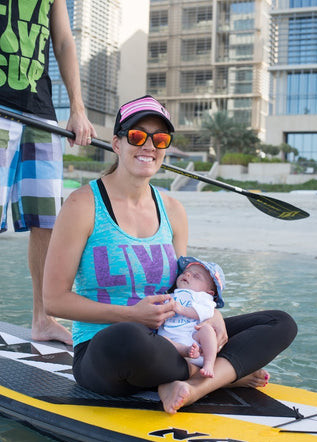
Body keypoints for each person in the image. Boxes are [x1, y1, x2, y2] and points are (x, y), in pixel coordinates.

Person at [43, 95, 297, 414]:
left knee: (279, 322)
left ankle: (191, 387)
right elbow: (54, 300)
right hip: (108, 351)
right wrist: (131, 315)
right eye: (137, 136)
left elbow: (184, 286)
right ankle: (225, 374)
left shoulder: (173, 210)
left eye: (160, 138)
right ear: (117, 143)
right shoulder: (83, 205)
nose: (149, 145)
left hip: (177, 340)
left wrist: (212, 314)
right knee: (126, 338)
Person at [0, 0, 96, 345]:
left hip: (40, 113)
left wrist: (77, 108)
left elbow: (64, 42)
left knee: (46, 220)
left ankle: (43, 318)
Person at [157, 256, 225, 378]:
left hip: (194, 339)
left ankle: (209, 364)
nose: (187, 275)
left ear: (209, 292)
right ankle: (186, 350)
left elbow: (206, 312)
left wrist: (182, 310)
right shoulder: (171, 295)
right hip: (173, 342)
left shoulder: (203, 298)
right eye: (185, 272)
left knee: (207, 330)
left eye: (196, 276)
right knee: (160, 340)